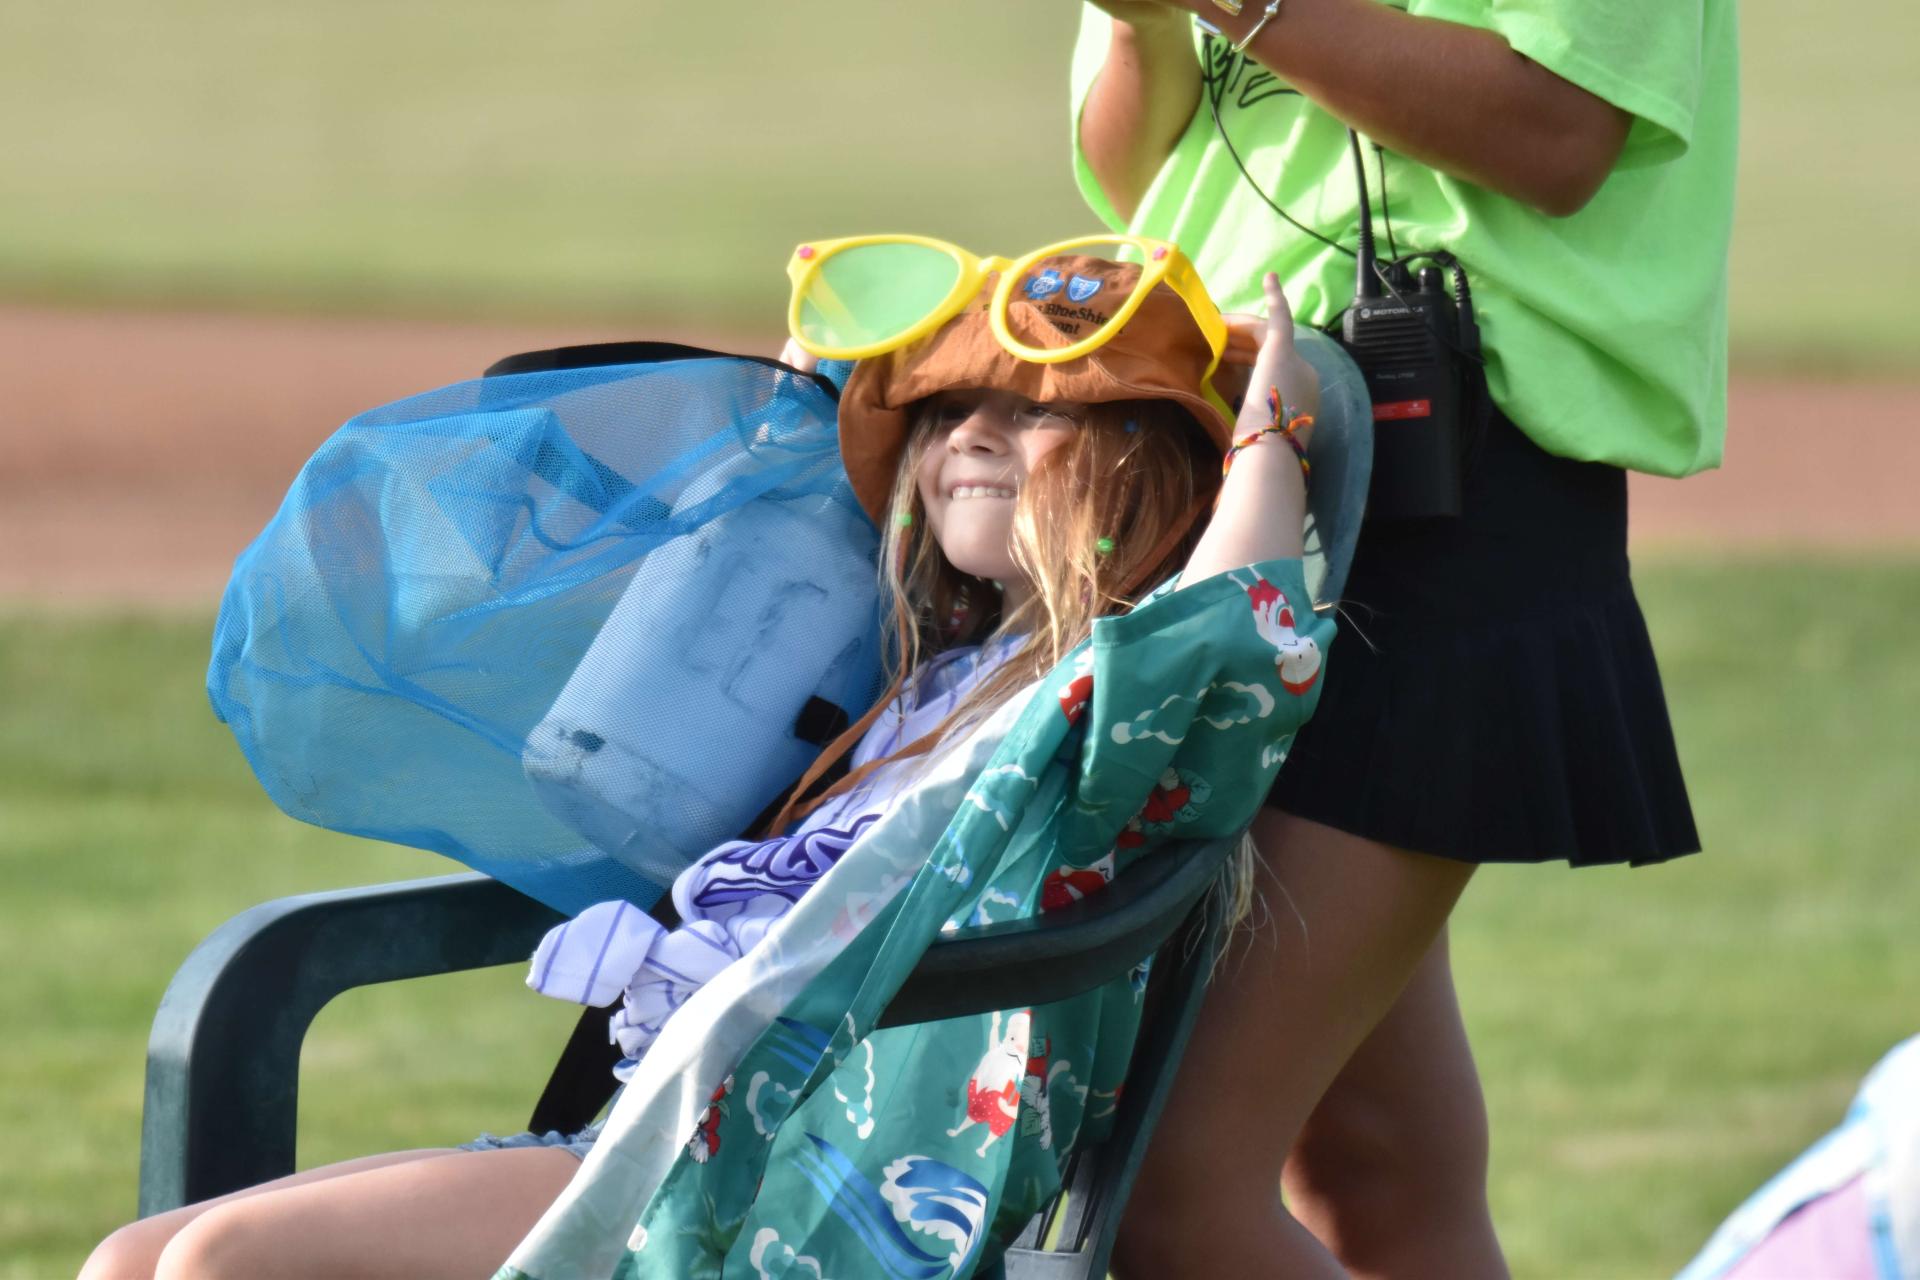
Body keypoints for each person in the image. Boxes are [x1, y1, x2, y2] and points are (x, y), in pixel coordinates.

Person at [82, 245, 1334, 1279]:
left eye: (1034, 411)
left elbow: (1234, 619)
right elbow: (757, 555)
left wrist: (1272, 426)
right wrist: (820, 383)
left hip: (776, 1197)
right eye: (949, 409)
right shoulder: (903, 683)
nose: (971, 435)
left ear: (1163, 466)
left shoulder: (1100, 718)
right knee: (136, 1260)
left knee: (223, 1264)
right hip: (657, 1136)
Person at [1068, 2, 1735, 1276]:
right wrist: (1147, 30)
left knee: (1169, 1195)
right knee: (1375, 1163)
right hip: (1216, 465)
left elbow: (1556, 132)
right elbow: (1135, 172)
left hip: (1447, 486)